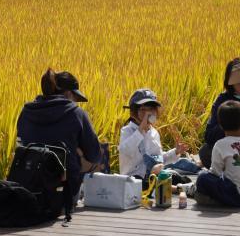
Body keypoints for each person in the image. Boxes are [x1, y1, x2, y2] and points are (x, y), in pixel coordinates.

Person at [16, 68, 102, 200]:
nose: (75, 102)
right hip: (63, 190)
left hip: (29, 186)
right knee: (90, 161)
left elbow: (20, 146)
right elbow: (95, 155)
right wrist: (79, 152)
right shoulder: (76, 113)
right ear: (68, 94)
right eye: (75, 97)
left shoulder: (26, 112)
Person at [118, 89, 200, 188]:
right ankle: (175, 189)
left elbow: (158, 159)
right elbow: (125, 150)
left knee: (177, 177)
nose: (148, 113)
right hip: (133, 180)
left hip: (153, 176)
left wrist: (175, 152)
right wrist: (140, 131)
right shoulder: (127, 131)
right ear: (134, 112)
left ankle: (179, 187)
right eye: (143, 110)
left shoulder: (154, 133)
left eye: (151, 110)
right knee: (142, 183)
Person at [193, 100, 240, 207]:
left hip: (239, 196)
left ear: (221, 126)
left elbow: (215, 173)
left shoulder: (220, 144)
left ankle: (215, 200)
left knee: (203, 177)